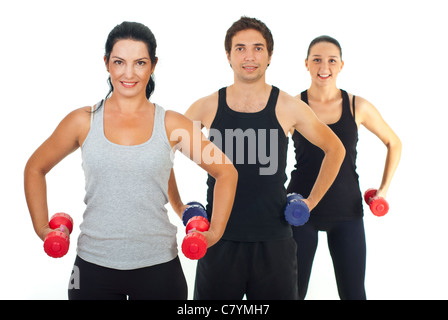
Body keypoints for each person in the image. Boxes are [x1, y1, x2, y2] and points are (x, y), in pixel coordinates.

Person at [24, 21, 237, 300]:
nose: (129, 73)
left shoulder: (173, 125)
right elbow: (35, 168)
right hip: (92, 265)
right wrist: (42, 229)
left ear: (153, 65)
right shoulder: (82, 122)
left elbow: (225, 172)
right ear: (106, 64)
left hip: (159, 267)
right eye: (119, 62)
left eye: (139, 63)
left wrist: (215, 234)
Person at [168, 17, 345, 300]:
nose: (249, 56)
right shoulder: (207, 106)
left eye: (258, 48)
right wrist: (178, 207)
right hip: (218, 240)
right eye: (240, 48)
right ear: (228, 56)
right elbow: (160, 154)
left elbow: (335, 149)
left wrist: (310, 202)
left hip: (274, 242)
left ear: (270, 55)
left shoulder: (289, 106)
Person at [287, 35, 402, 300]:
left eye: (331, 60)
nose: (323, 66)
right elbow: (267, 152)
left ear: (341, 65)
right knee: (291, 294)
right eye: (316, 60)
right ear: (306, 64)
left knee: (354, 294)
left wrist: (383, 190)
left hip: (346, 211)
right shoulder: (292, 106)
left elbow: (393, 143)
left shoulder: (357, 106)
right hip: (300, 211)